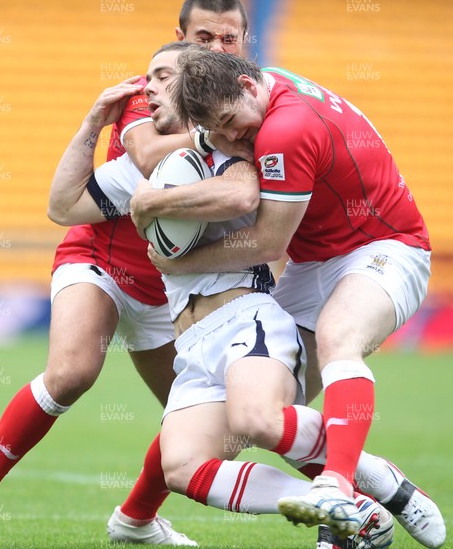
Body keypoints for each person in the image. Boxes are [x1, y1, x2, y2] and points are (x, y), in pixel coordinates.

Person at [47, 40, 395, 547]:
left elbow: (242, 194)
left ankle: (375, 486)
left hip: (244, 320)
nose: (151, 88)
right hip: (190, 340)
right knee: (183, 467)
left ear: (196, 86)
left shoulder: (231, 147)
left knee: (255, 421)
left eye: (164, 76)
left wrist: (152, 201)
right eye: (147, 79)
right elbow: (63, 205)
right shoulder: (155, 166)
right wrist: (91, 125)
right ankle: (352, 505)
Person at [0, 0, 250, 549]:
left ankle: (136, 519)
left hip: (172, 289)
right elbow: (144, 156)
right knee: (72, 372)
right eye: (203, 36)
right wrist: (233, 138)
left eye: (227, 37)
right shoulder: (153, 91)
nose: (215, 46)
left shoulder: (251, 98)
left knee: (211, 426)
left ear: (243, 41)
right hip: (102, 259)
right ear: (181, 36)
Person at [131, 45, 445, 548]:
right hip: (314, 261)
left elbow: (266, 243)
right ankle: (379, 493)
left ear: (249, 87)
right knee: (263, 418)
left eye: (233, 122)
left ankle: (339, 489)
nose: (234, 138)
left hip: (384, 247)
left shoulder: (284, 129)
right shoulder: (258, 87)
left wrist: (173, 258)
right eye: (220, 129)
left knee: (338, 338)